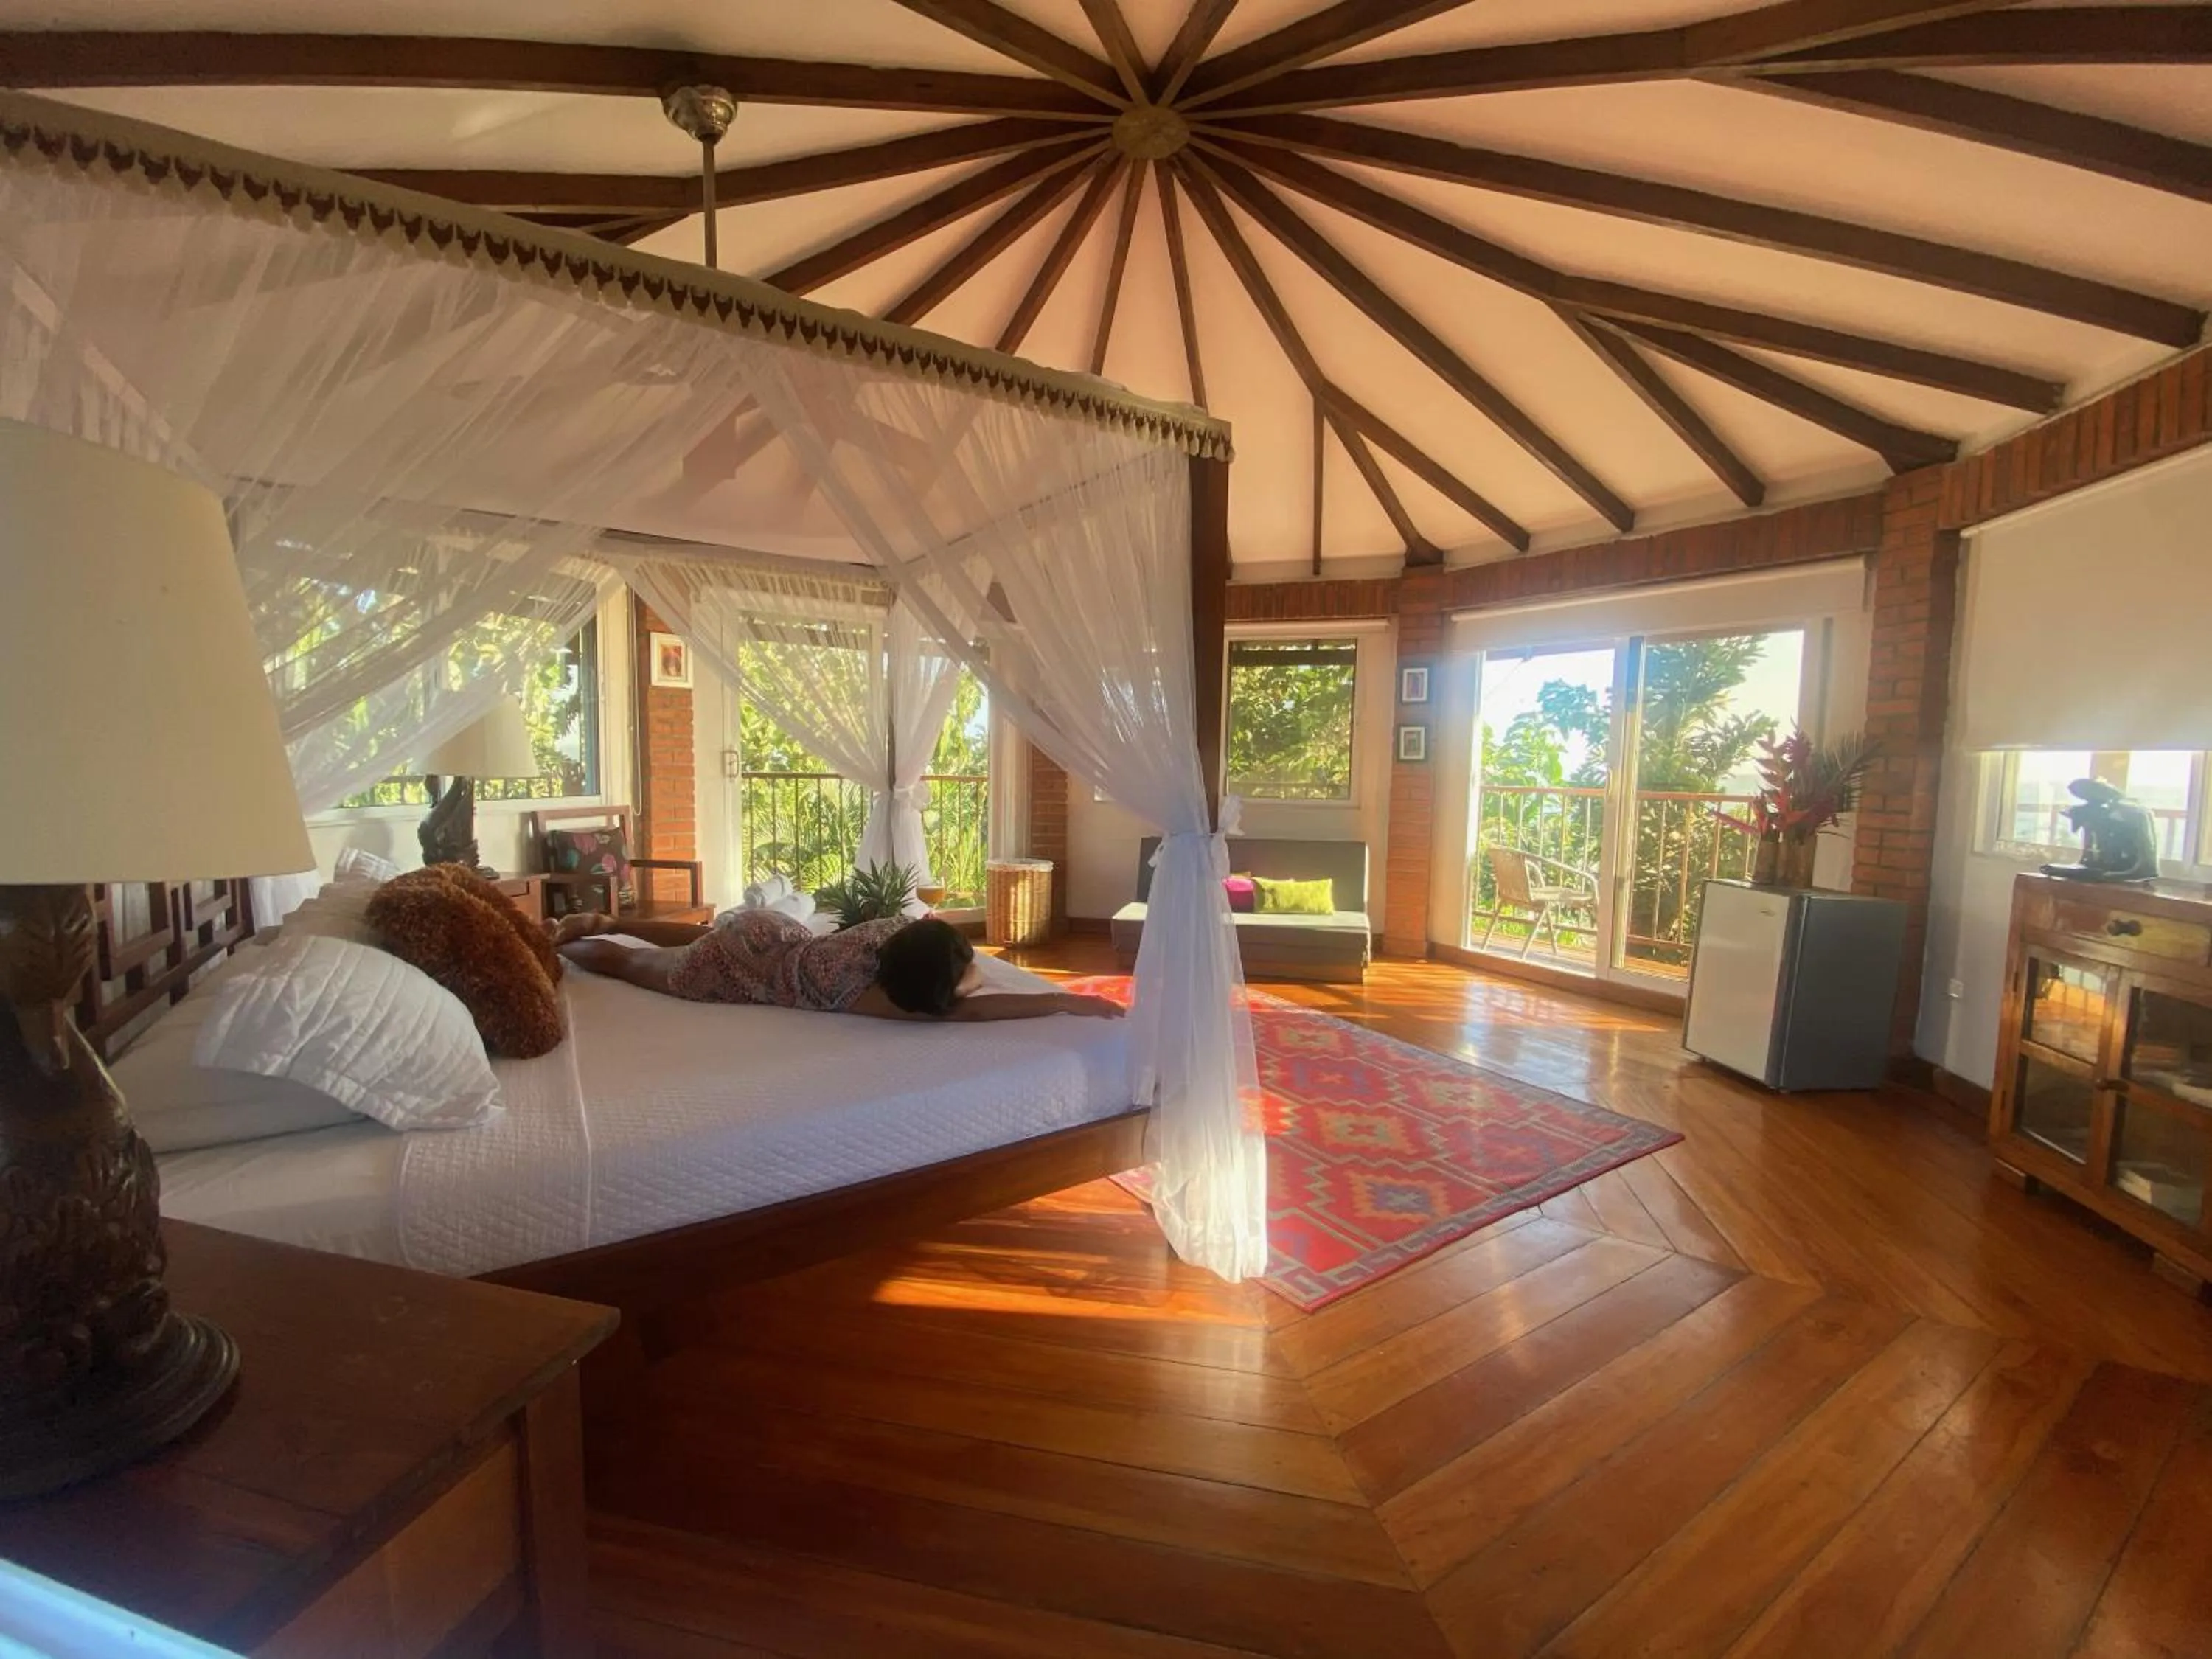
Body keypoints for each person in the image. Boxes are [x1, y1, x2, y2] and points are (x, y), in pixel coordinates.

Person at [550, 908, 1124, 1023]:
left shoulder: (896, 929)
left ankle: (601, 918)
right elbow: (965, 1008)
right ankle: (564, 947)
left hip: (770, 929)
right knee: (630, 964)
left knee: (698, 936)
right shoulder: (869, 998)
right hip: (735, 968)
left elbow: (957, 966)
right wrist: (1059, 999)